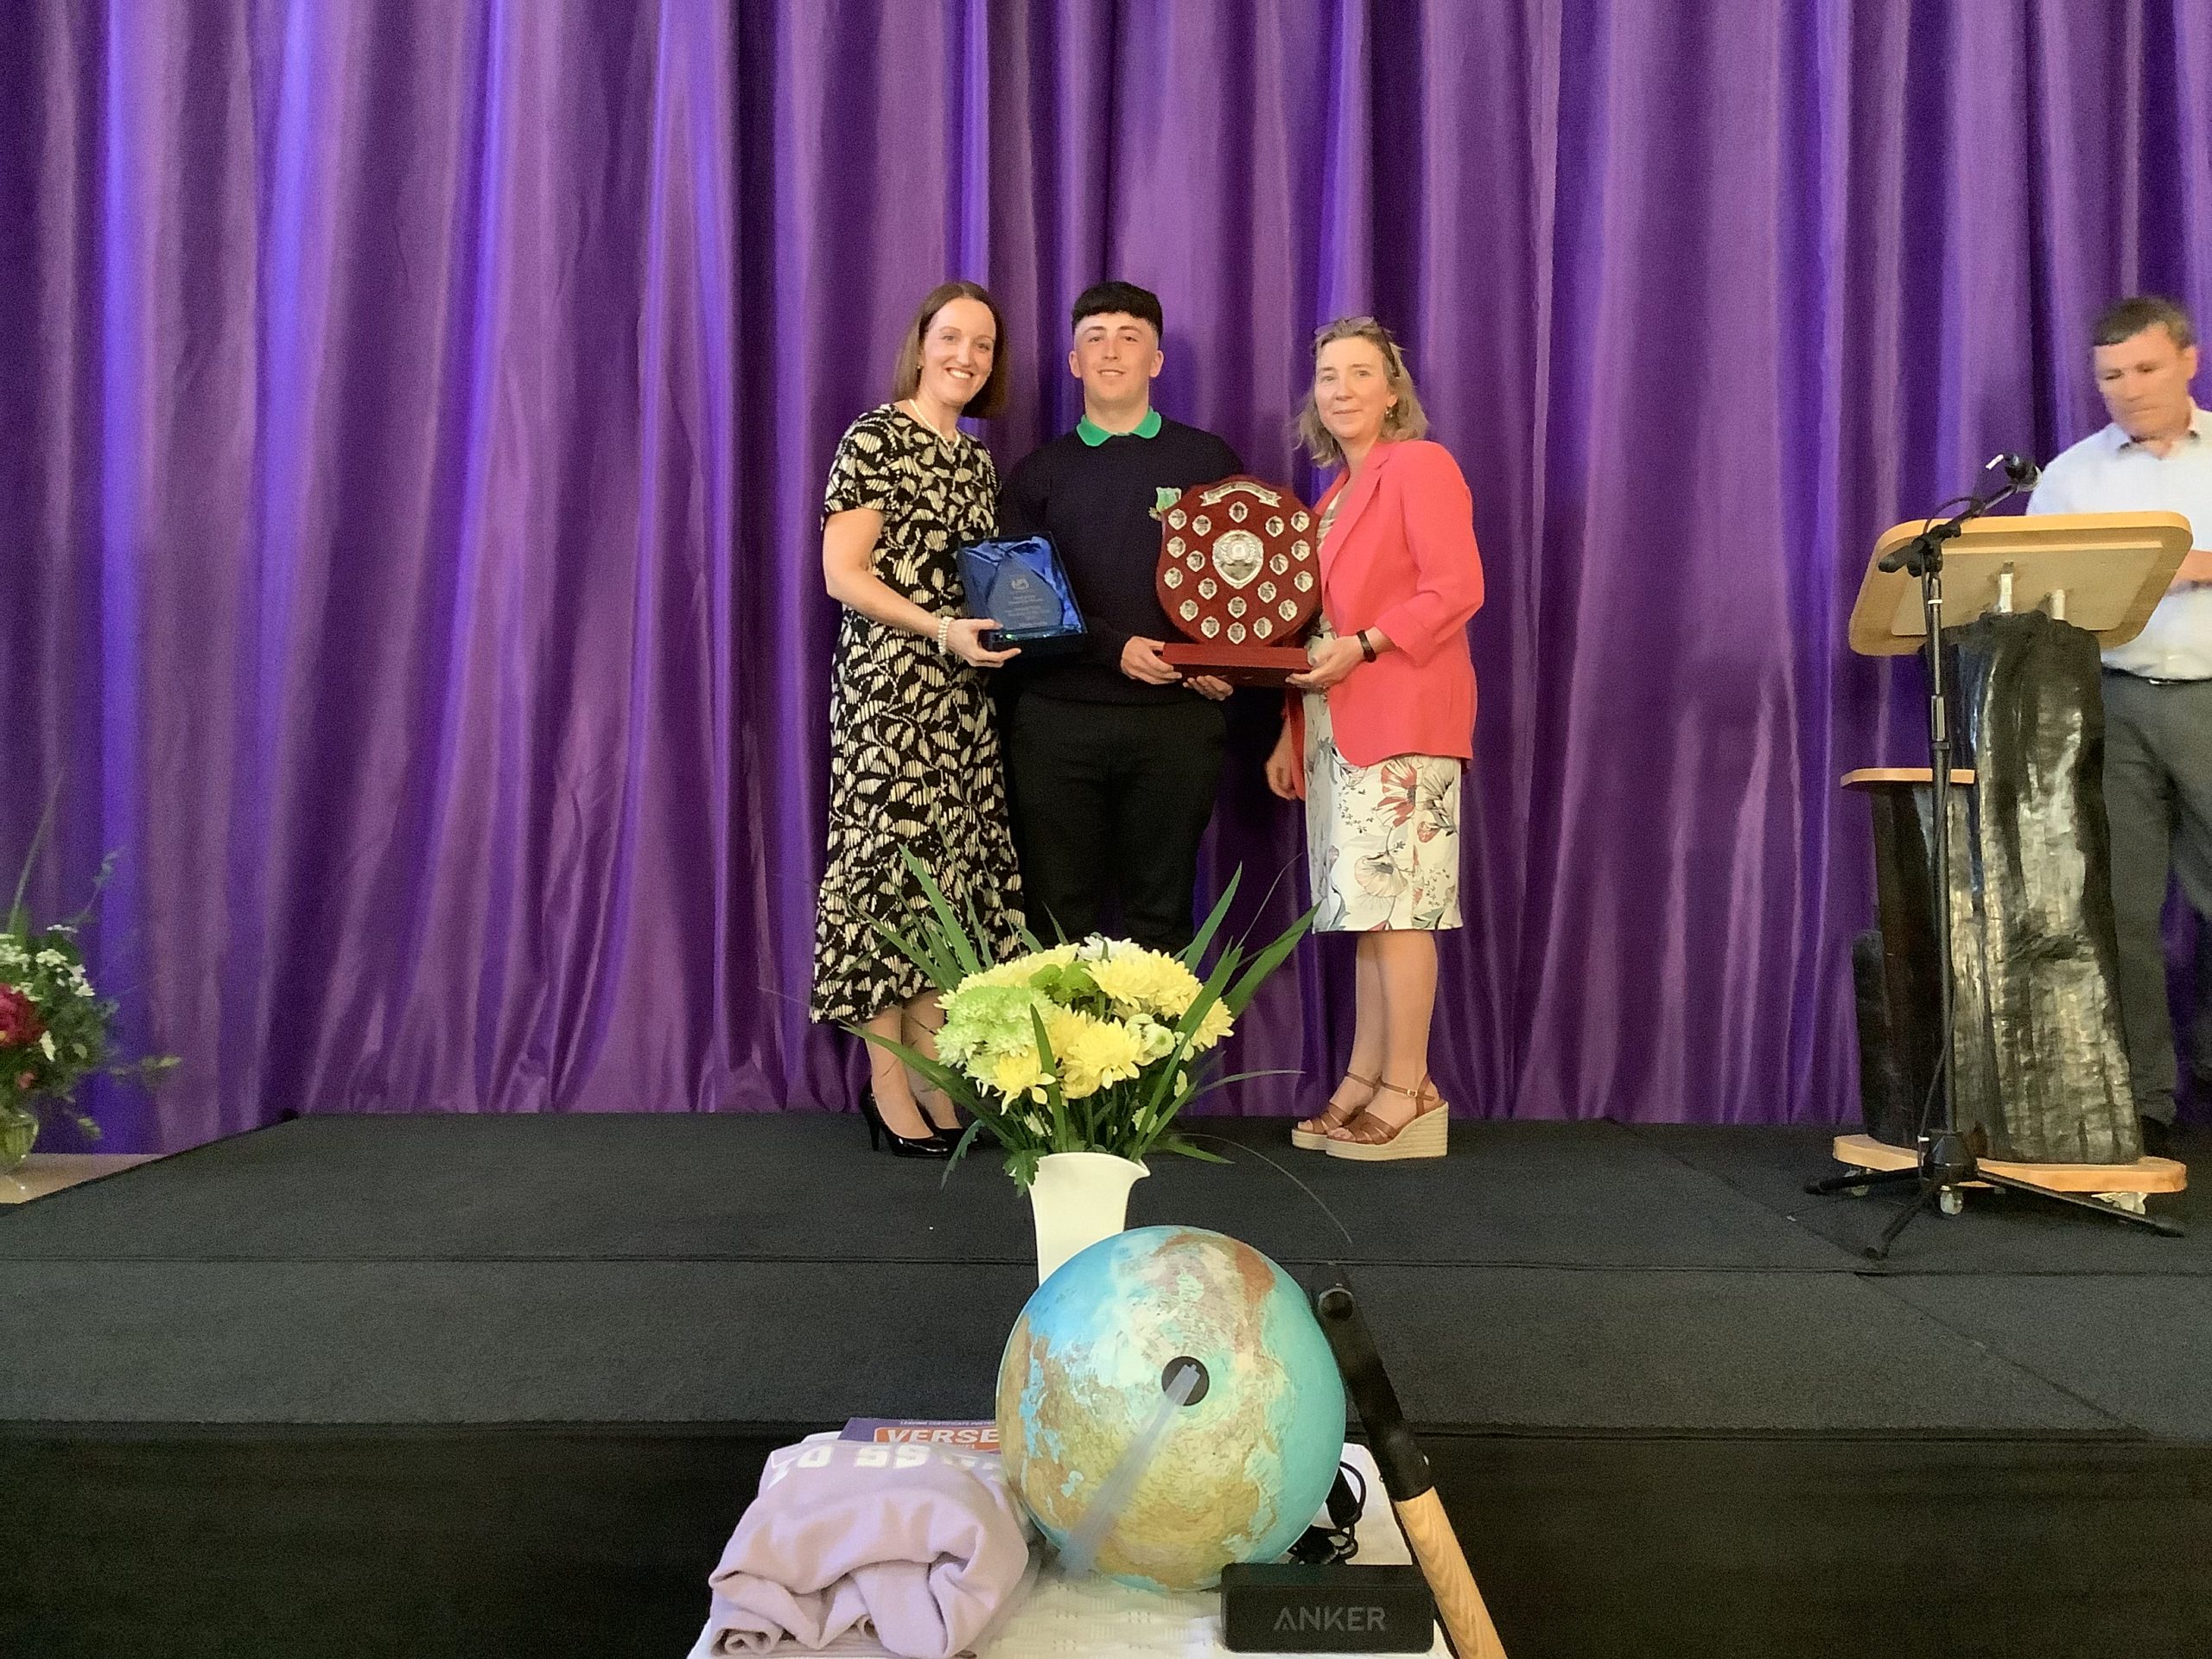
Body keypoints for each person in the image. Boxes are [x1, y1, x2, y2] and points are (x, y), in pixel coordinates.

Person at [811, 280, 1027, 1158]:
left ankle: (937, 1078)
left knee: (948, 881)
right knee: (886, 883)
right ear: (921, 344)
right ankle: (888, 1088)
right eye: (951, 337)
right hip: (889, 693)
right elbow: (843, 574)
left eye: (982, 344)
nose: (965, 357)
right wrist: (940, 628)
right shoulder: (875, 437)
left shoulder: (976, 462)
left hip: (962, 697)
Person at [1265, 316, 1484, 1160]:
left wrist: (1363, 645)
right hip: (1335, 726)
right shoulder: (1330, 499)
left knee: (1402, 912)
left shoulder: (1419, 466)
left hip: (1404, 718)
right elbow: (1310, 628)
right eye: (1328, 376)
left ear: (1393, 392)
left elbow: (1456, 587)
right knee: (1368, 913)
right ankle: (1363, 1078)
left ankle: (1410, 1089)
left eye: (1360, 373)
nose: (1341, 389)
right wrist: (1289, 733)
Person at [997, 281, 1243, 952]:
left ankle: (1163, 1032)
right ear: (1074, 362)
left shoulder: (1209, 462)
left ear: (1155, 361)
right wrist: (1115, 649)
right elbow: (1022, 611)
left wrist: (1222, 662)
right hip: (1057, 724)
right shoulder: (1035, 474)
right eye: (1095, 339)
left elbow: (1244, 586)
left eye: (1129, 338)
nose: (1111, 352)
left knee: (1162, 919)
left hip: (1177, 724)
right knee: (1057, 920)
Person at [2026, 294, 2212, 1160]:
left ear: (2187, 361)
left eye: (2144, 368)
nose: (2129, 388)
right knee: (2124, 912)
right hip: (2116, 701)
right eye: (2110, 376)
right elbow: (2032, 596)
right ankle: (2144, 1101)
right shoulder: (2072, 477)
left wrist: (2197, 565)